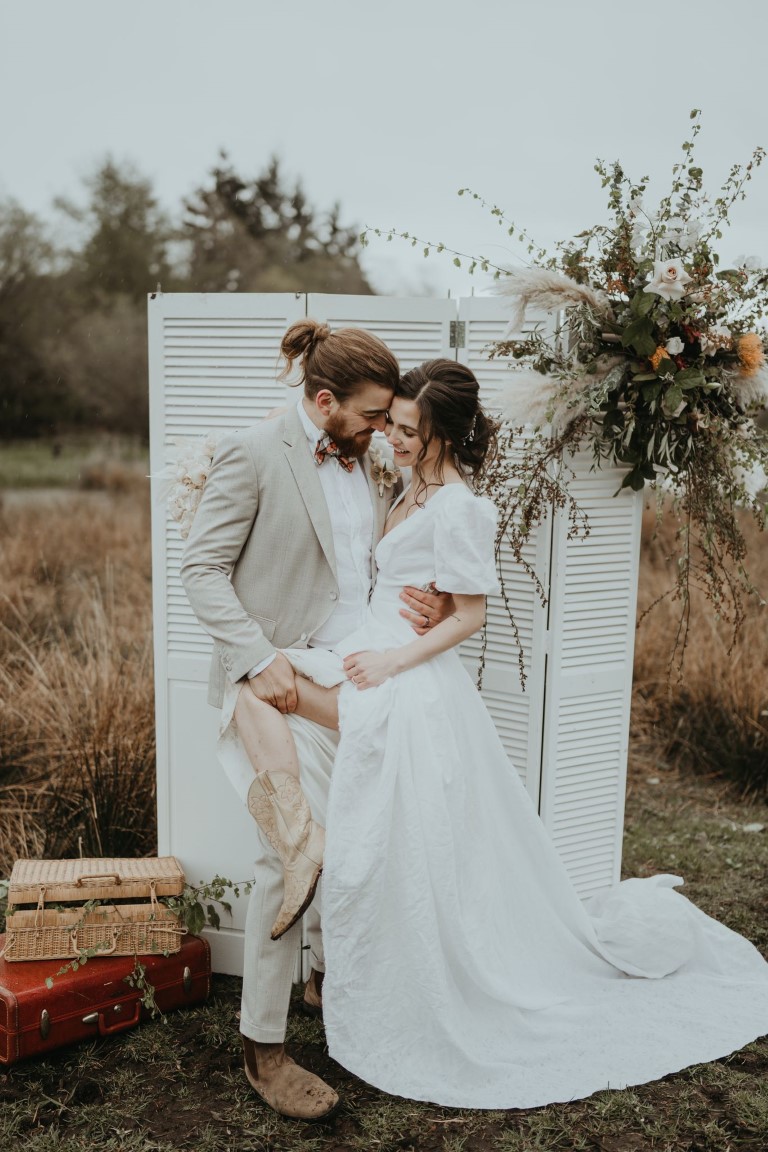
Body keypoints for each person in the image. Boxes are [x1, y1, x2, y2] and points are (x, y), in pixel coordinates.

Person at [279, 358, 768, 1109]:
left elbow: (470, 615)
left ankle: (416, 977)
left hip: (410, 680)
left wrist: (393, 657)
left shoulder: (463, 508)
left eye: (409, 430)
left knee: (408, 839)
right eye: (393, 425)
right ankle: (360, 955)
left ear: (442, 433)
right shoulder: (408, 485)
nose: (393, 438)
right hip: (377, 655)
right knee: (375, 821)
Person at [180, 320, 451, 1121]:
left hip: (351, 686)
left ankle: (323, 980)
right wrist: (256, 656)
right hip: (272, 685)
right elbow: (200, 568)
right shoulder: (256, 454)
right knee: (286, 859)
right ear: (324, 400)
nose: (382, 432)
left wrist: (424, 600)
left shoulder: (366, 464)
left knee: (358, 840)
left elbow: (364, 568)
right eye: (371, 417)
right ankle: (262, 1046)